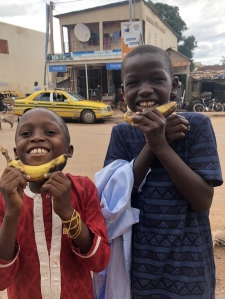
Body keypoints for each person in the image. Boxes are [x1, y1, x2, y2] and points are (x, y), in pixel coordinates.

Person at [93, 45, 223, 298]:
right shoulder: (121, 133)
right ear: (123, 92)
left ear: (174, 85)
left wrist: (162, 146)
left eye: (156, 79)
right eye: (133, 83)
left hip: (189, 267)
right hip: (138, 266)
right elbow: (114, 201)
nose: (144, 89)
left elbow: (202, 201)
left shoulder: (195, 126)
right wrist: (153, 145)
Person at [0, 108, 110, 299]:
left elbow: (99, 262)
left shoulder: (83, 189)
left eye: (50, 132)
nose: (36, 138)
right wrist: (11, 213)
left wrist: (68, 212)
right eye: (26, 134)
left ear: (69, 150)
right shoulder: (4, 196)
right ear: (16, 153)